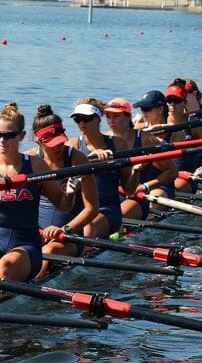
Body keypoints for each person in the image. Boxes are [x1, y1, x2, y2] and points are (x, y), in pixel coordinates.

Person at [0, 102, 72, 286]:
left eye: (9, 136)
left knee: (3, 268)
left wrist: (70, 193)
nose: (2, 141)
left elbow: (63, 205)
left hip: (26, 247)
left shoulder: (36, 166)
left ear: (21, 136)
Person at [27, 104, 99, 275]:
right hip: (36, 232)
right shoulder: (30, 160)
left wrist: (64, 230)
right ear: (38, 140)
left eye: (60, 141)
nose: (58, 147)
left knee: (47, 252)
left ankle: (30, 288)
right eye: (52, 143)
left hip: (68, 236)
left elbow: (92, 208)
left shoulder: (77, 159)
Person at [104, 93, 178, 220]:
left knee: (119, 215)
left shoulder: (145, 139)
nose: (111, 121)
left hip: (141, 195)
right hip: (117, 194)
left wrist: (145, 186)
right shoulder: (104, 140)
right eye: (108, 116)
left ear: (128, 117)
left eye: (116, 116)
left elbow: (172, 172)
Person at [68, 98, 132, 237]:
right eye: (77, 119)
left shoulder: (118, 144)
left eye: (86, 119)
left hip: (107, 208)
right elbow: (68, 183)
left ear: (98, 119)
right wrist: (91, 158)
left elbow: (129, 190)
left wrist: (136, 171)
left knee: (89, 228)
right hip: (80, 209)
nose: (81, 123)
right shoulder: (73, 145)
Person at [166, 80, 202, 193]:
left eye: (176, 101)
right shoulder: (159, 121)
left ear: (184, 103)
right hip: (165, 175)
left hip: (185, 177)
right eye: (169, 101)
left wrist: (200, 172)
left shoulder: (194, 124)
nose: (172, 105)